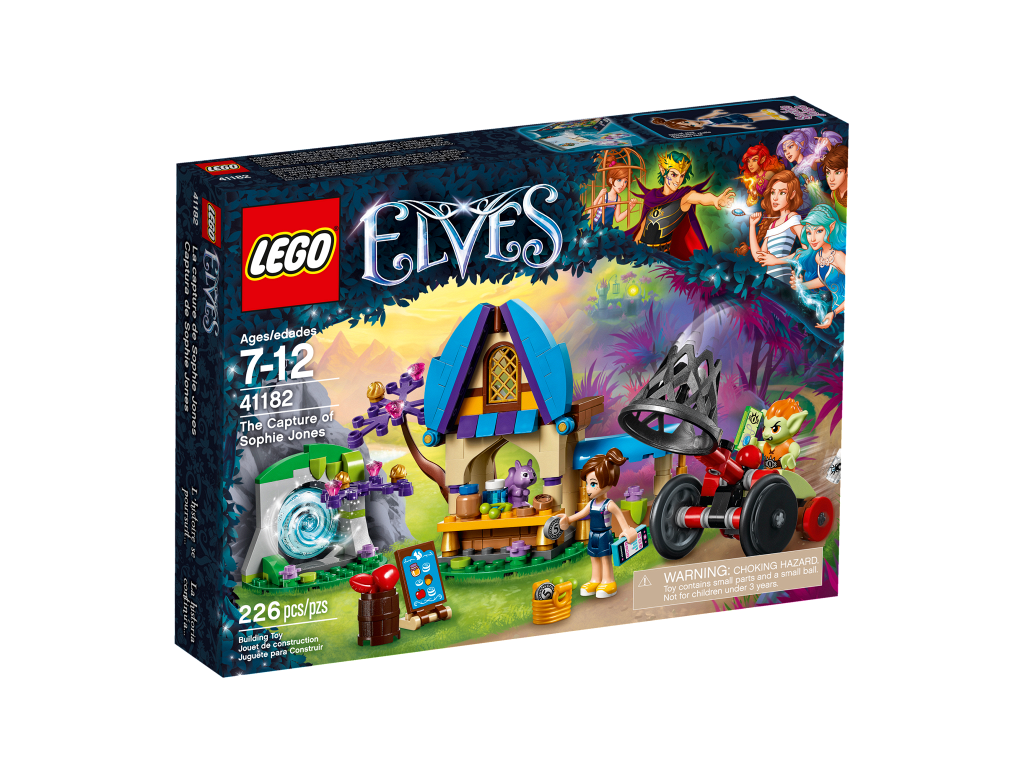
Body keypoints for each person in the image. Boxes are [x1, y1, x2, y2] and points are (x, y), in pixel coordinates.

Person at [626, 150, 735, 260]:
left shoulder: (683, 197)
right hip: (642, 254)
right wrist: (635, 250)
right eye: (674, 174)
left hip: (662, 259)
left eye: (682, 175)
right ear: (663, 170)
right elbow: (643, 227)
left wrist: (715, 200)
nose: (678, 180)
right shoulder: (651, 197)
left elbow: (698, 198)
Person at [556, 449, 634, 599]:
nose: (588, 489)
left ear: (608, 481)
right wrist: (568, 519)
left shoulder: (609, 504)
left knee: (605, 558)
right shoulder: (591, 504)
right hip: (593, 535)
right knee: (593, 557)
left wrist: (626, 530)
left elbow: (619, 516)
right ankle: (595, 580)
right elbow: (581, 514)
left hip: (604, 535)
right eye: (587, 483)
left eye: (593, 484)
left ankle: (609, 581)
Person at [790, 204, 846, 329]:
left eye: (819, 231)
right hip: (836, 313)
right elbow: (824, 280)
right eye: (809, 232)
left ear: (831, 227)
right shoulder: (818, 256)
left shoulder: (839, 256)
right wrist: (802, 285)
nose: (812, 238)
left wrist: (834, 313)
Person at [748, 171, 805, 284]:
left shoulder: (793, 218)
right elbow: (758, 257)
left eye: (782, 193)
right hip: (770, 280)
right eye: (773, 192)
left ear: (792, 195)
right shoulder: (772, 225)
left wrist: (776, 261)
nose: (775, 198)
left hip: (784, 279)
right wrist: (752, 225)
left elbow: (806, 250)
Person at [776, 129, 843, 213]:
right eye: (785, 150)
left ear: (801, 144)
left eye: (790, 147)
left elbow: (833, 159)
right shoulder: (793, 170)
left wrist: (829, 146)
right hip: (802, 205)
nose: (787, 153)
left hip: (818, 201)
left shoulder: (810, 159)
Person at [589, 163, 641, 228]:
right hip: (596, 227)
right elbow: (589, 215)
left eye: (625, 181)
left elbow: (618, 218)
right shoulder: (604, 196)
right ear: (611, 180)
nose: (622, 185)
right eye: (619, 180)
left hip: (608, 228)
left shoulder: (617, 198)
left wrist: (630, 207)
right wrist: (599, 196)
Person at [652, 108, 788, 131]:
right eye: (691, 127)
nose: (692, 123)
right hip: (732, 122)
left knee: (747, 114)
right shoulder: (712, 126)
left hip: (728, 117)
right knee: (748, 119)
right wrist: (741, 127)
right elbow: (726, 127)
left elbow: (712, 114)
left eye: (687, 122)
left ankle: (764, 113)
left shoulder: (702, 118)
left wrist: (716, 112)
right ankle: (769, 116)